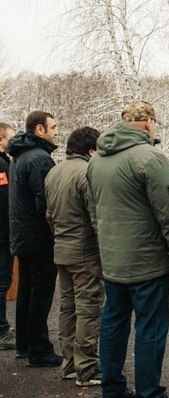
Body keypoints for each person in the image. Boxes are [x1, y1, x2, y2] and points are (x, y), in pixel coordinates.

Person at [87, 100, 169, 398]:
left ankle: (112, 390)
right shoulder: (150, 158)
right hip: (146, 262)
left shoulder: (96, 162)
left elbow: (95, 213)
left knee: (113, 323)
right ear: (147, 123)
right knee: (150, 328)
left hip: (113, 261)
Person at [45, 126, 105, 384]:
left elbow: (48, 215)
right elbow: (95, 218)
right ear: (91, 150)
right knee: (88, 309)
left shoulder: (54, 172)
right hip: (85, 253)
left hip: (62, 250)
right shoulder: (86, 173)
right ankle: (87, 368)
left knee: (67, 308)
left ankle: (69, 363)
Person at [7, 111, 62, 366]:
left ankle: (25, 345)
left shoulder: (19, 157)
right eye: (53, 127)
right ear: (39, 130)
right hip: (38, 236)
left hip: (21, 234)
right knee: (40, 292)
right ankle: (39, 350)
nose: (56, 131)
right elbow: (45, 203)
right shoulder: (39, 159)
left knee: (27, 291)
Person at [0, 122, 16, 350]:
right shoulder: (2, 166)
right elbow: (4, 202)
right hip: (2, 233)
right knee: (2, 281)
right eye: (10, 138)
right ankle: (2, 330)